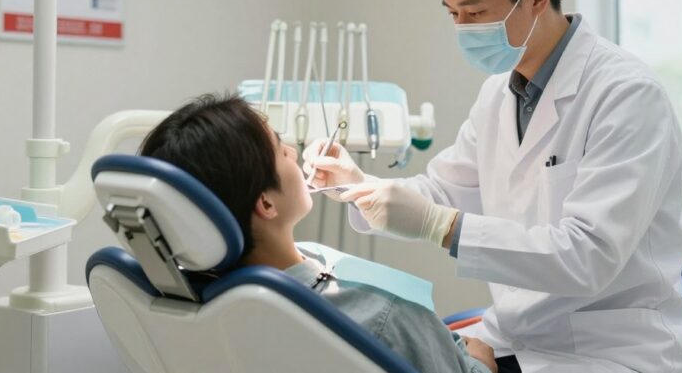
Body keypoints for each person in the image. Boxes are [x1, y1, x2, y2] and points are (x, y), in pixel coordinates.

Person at [305, 0, 682, 373]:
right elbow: (443, 190)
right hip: (514, 334)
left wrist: (441, 226)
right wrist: (358, 186)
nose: (462, 29)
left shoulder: (627, 95)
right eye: (453, 14)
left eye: (475, 13)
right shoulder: (499, 92)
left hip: (609, 350)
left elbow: (587, 256)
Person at [139, 93, 497, 373]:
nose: (292, 151)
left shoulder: (205, 303)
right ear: (266, 203)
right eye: (280, 148)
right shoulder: (383, 315)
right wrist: (479, 363)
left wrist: (359, 183)